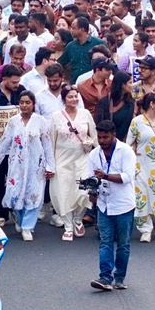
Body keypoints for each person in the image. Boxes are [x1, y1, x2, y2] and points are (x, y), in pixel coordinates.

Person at [0, 91, 53, 242]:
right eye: (22, 102)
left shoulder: (41, 121)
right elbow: (5, 142)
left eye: (28, 103)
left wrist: (50, 166)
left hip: (36, 165)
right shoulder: (13, 121)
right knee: (15, 193)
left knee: (34, 194)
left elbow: (47, 145)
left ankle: (27, 227)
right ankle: (20, 218)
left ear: (33, 104)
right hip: (16, 164)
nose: (24, 105)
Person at [88, 125, 138, 292]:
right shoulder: (94, 154)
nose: (102, 141)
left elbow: (127, 177)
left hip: (124, 205)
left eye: (105, 137)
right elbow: (91, 178)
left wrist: (105, 176)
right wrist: (91, 191)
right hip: (104, 205)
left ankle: (119, 277)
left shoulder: (126, 152)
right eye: (99, 138)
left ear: (114, 135)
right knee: (105, 242)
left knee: (123, 244)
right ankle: (105, 277)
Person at [49, 87, 98, 241]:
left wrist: (96, 151)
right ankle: (68, 225)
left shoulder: (85, 114)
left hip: (83, 159)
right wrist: (49, 164)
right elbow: (51, 141)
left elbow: (94, 135)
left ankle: (78, 219)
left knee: (83, 192)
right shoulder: (56, 117)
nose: (74, 100)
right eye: (70, 97)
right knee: (63, 193)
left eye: (75, 96)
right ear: (64, 99)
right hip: (62, 161)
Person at [126, 93, 155, 243]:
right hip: (141, 166)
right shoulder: (137, 122)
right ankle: (145, 229)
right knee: (142, 197)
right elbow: (128, 143)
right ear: (152, 104)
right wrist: (132, 154)